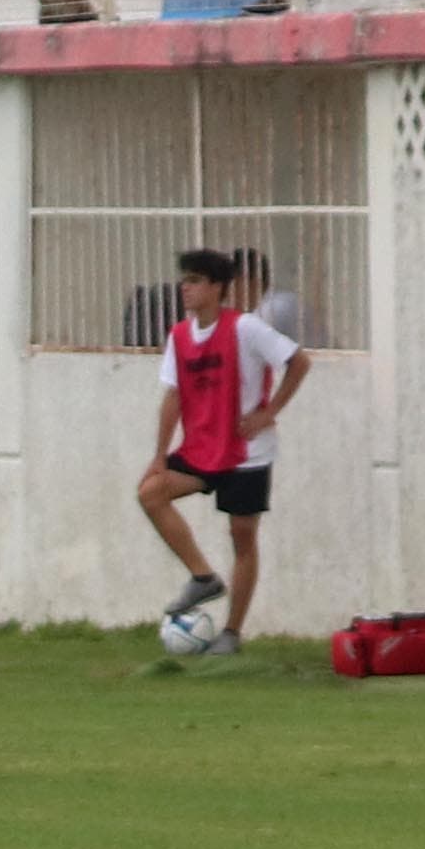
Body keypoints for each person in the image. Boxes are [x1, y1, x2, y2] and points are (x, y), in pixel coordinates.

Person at [132, 246, 305, 645]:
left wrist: (269, 412)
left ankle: (231, 632)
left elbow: (298, 362)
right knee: (151, 493)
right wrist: (159, 455)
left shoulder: (245, 328)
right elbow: (172, 396)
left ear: (217, 288)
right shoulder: (179, 335)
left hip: (247, 452)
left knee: (241, 535)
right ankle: (203, 577)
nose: (185, 288)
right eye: (184, 280)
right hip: (200, 449)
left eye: (194, 281)